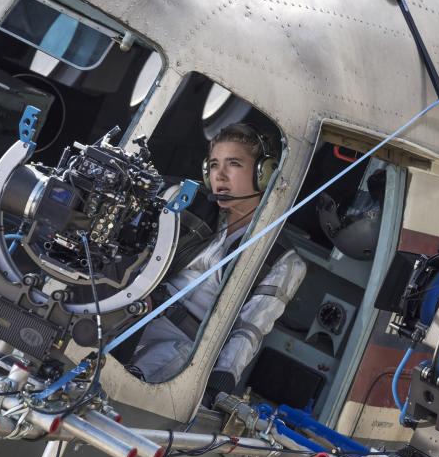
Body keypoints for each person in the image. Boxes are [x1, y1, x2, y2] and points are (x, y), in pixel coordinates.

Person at [127, 124, 306, 393]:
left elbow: (250, 329)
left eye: (233, 164)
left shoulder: (282, 259)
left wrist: (222, 378)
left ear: (264, 174)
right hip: (138, 309)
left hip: (183, 343)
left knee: (174, 358)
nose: (219, 175)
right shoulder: (189, 203)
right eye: (213, 165)